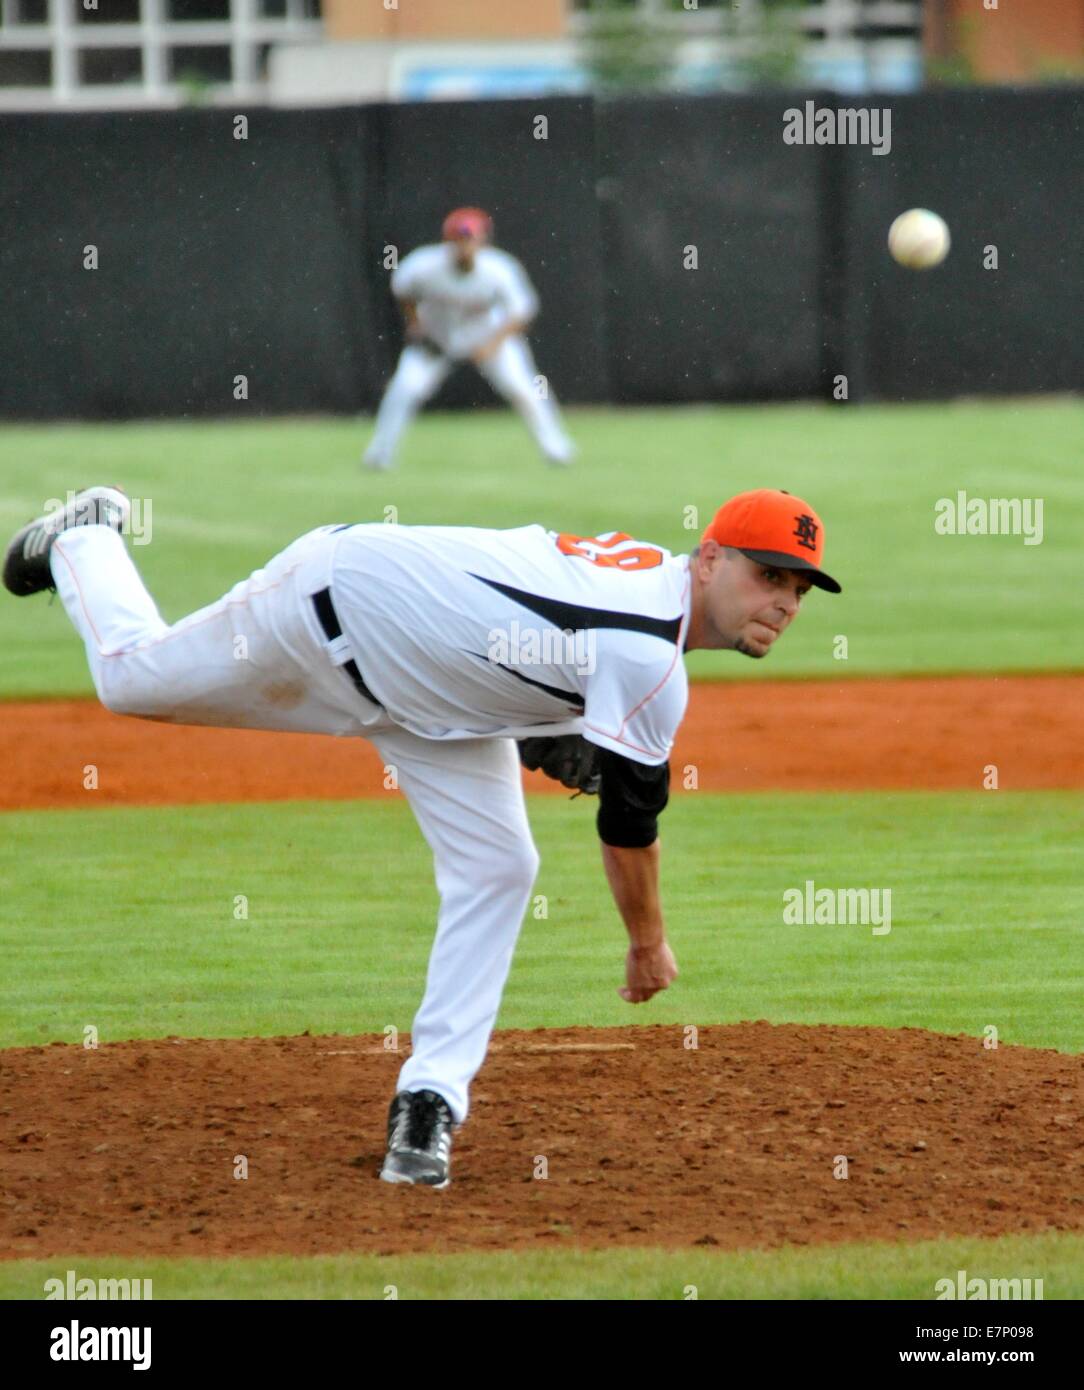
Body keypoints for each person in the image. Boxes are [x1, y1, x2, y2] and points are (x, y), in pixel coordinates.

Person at [3, 485, 840, 1188]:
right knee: (128, 680)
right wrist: (647, 945)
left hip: (429, 708)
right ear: (708, 560)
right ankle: (85, 539)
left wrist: (530, 712)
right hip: (327, 613)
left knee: (501, 867)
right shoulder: (650, 659)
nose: (784, 603)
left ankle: (429, 1102)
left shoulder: (649, 596)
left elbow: (524, 624)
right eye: (769, 575)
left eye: (799, 589)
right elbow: (628, 828)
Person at [363, 207, 575, 470]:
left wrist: (492, 345)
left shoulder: (500, 268)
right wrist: (415, 322)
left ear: (483, 240)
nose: (464, 245)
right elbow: (402, 289)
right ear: (446, 241)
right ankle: (379, 455)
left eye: (470, 238)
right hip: (437, 339)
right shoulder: (423, 265)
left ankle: (557, 449)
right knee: (405, 388)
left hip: (489, 337)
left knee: (525, 389)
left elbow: (522, 311)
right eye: (457, 239)